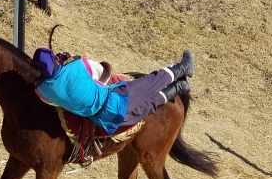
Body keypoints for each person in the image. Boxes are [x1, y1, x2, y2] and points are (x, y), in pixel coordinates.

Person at [32, 48, 194, 135]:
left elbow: (51, 102)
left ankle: (179, 87)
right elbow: (101, 71)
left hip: (107, 122)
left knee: (150, 105)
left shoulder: (42, 91)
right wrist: (71, 60)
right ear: (57, 59)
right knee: (151, 82)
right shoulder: (78, 65)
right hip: (116, 100)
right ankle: (183, 68)